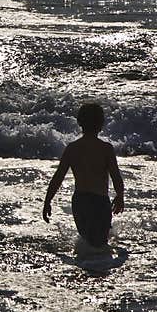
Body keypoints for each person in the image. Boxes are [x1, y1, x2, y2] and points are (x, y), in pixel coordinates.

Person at [42, 102, 124, 253]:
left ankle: (86, 267)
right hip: (100, 202)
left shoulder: (72, 148)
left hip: (80, 201)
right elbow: (116, 177)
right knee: (99, 244)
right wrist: (120, 196)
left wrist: (47, 201)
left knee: (87, 240)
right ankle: (98, 270)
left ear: (80, 123)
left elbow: (58, 177)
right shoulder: (105, 149)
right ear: (101, 124)